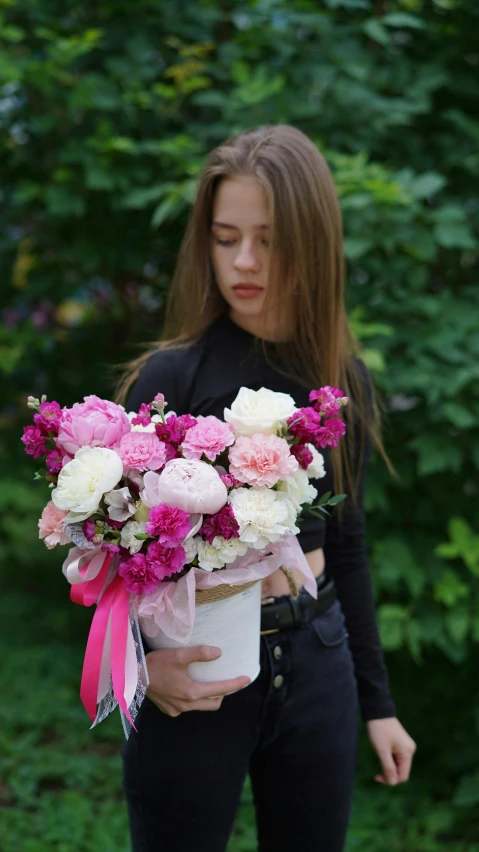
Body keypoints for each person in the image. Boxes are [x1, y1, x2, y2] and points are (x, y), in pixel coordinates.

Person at [114, 124, 416, 852]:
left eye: (269, 240)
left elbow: (346, 550)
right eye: (225, 238)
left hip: (317, 663)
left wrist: (377, 704)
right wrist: (140, 668)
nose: (243, 261)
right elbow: (112, 553)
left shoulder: (341, 384)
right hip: (196, 667)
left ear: (311, 243)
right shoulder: (171, 379)